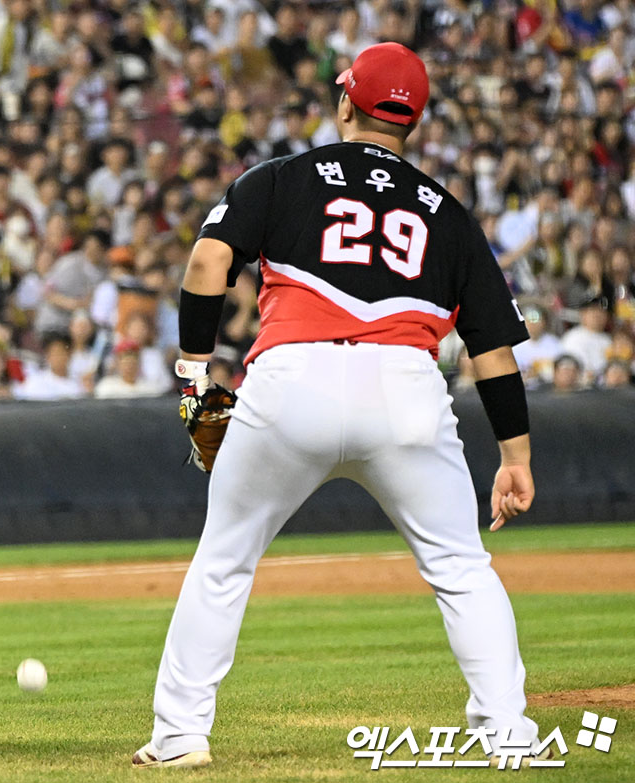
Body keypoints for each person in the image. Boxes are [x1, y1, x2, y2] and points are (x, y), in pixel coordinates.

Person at [134, 44, 544, 768]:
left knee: (224, 560)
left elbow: (206, 262)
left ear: (346, 102)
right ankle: (508, 730)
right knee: (461, 565)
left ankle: (180, 736)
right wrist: (515, 456)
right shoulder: (447, 213)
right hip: (407, 391)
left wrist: (196, 372)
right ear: (412, 120)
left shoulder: (285, 177)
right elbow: (495, 354)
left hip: (293, 382)